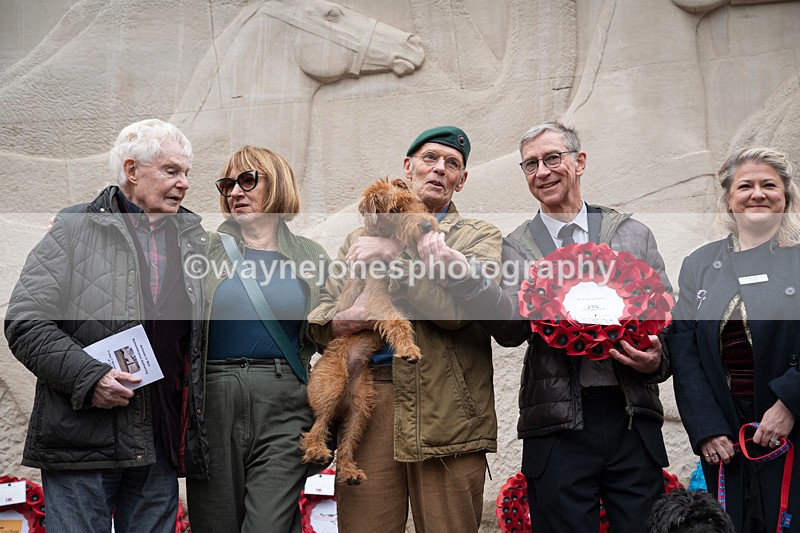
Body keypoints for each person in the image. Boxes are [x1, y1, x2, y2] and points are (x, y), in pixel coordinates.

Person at [417, 121, 672, 532]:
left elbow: (665, 316)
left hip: (632, 419)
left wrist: (659, 359)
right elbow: (512, 330)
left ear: (579, 162)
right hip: (556, 424)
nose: (543, 171)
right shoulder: (515, 247)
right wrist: (464, 276)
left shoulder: (631, 233)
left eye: (553, 158)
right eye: (531, 164)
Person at [4, 119, 207, 532]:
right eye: (172, 171)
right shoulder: (74, 228)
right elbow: (25, 323)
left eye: (187, 173)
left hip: (160, 440)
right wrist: (90, 376)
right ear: (132, 171)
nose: (184, 183)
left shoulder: (194, 239)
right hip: (83, 439)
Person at [307, 126, 502, 532]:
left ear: (461, 181)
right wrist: (348, 318)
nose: (439, 170)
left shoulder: (478, 236)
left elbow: (458, 314)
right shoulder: (357, 239)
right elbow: (320, 318)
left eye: (452, 164)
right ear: (408, 167)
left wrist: (395, 256)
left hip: (448, 411)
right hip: (371, 400)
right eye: (430, 158)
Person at [185, 145, 330, 533]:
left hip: (285, 402)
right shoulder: (200, 249)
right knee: (216, 524)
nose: (235, 192)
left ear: (277, 184)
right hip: (212, 402)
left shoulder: (311, 255)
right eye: (228, 184)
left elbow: (330, 333)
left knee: (270, 524)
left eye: (248, 180)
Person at [666, 147, 800, 532]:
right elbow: (683, 345)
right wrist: (706, 426)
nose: (757, 194)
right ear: (729, 198)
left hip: (791, 425)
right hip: (726, 436)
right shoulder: (700, 265)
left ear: (785, 196)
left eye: (768, 185)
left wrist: (789, 403)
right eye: (745, 186)